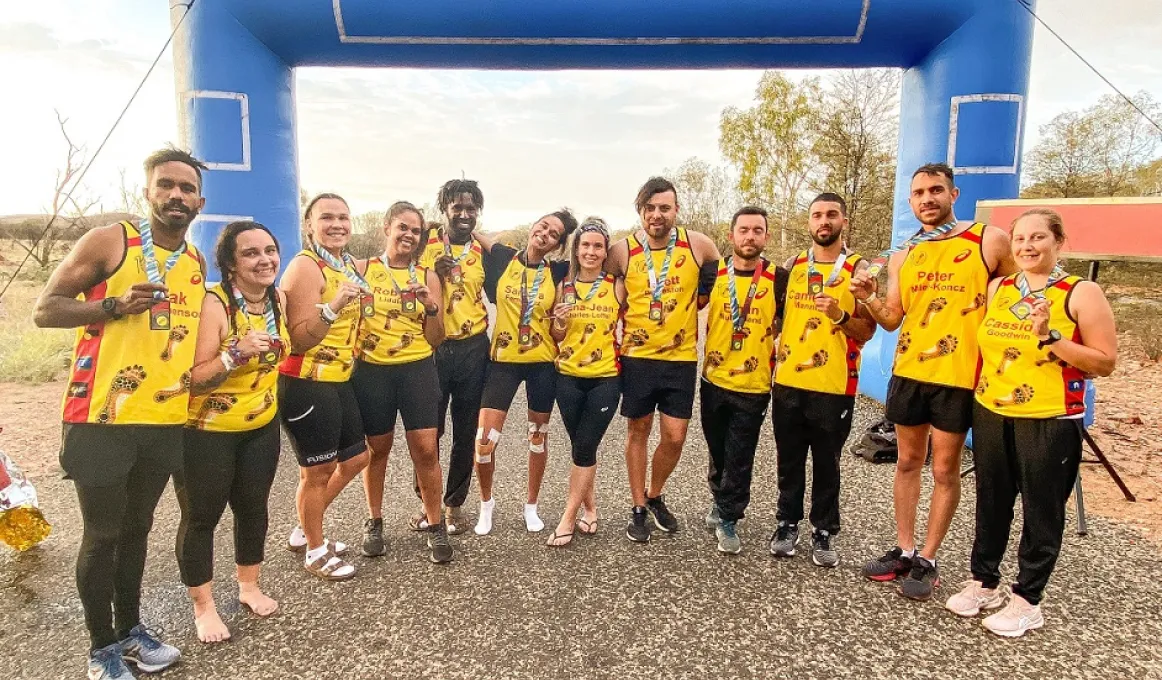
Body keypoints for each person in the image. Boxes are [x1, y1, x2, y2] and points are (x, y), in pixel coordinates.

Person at [34, 147, 207, 679]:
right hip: (101, 419)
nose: (176, 195)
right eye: (166, 185)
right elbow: (46, 309)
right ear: (149, 191)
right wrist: (111, 305)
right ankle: (101, 648)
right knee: (102, 534)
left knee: (138, 529)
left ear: (201, 200)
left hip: (163, 419)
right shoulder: (112, 241)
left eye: (186, 188)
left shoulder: (195, 261)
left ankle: (131, 629)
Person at [946, 208, 1116, 636]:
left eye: (1038, 238)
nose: (1027, 246)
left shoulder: (1081, 292)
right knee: (991, 501)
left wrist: (1052, 338)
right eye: (1020, 239)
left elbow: (1105, 361)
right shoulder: (1000, 287)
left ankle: (1027, 598)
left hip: (1049, 417)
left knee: (1041, 511)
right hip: (992, 410)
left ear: (1058, 241)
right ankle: (984, 581)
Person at [850, 162, 1016, 601]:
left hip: (959, 377)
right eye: (919, 192)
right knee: (906, 462)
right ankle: (904, 549)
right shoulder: (905, 254)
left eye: (936, 190)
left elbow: (1020, 296)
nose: (928, 198)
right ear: (910, 201)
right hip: (910, 373)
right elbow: (889, 320)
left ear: (953, 195)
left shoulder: (988, 240)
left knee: (944, 468)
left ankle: (928, 557)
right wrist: (865, 296)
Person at [174, 221, 289, 643]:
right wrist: (233, 355)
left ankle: (248, 586)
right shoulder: (215, 304)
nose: (265, 260)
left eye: (270, 250)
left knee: (253, 508)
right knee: (202, 516)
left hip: (260, 424)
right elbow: (194, 376)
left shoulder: (277, 298)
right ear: (229, 263)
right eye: (251, 253)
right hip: (208, 429)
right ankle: (203, 607)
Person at [606, 177, 721, 543]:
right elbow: (603, 292)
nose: (657, 215)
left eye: (664, 208)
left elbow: (717, 279)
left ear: (676, 210)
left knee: (675, 437)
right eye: (650, 208)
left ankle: (656, 494)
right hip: (637, 357)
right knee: (637, 431)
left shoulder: (699, 244)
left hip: (680, 359)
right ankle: (638, 505)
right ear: (640, 211)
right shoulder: (622, 250)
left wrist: (701, 298)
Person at [769, 194, 876, 567]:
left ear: (843, 220)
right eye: (817, 215)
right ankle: (786, 522)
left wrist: (840, 315)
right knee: (789, 458)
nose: (824, 221)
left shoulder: (858, 269)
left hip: (833, 384)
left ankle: (824, 529)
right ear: (808, 222)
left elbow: (867, 331)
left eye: (831, 214)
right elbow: (778, 317)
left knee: (827, 462)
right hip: (788, 381)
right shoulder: (793, 265)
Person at [355, 202, 453, 564]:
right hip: (373, 371)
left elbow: (437, 337)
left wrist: (430, 307)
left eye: (415, 231)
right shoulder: (363, 269)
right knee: (377, 449)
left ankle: (435, 522)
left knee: (426, 451)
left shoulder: (427, 276)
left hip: (417, 370)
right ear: (386, 227)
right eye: (403, 227)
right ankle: (375, 520)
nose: (409, 235)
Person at [278, 193, 368, 581]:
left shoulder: (345, 264)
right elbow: (296, 339)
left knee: (356, 459)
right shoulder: (305, 267)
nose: (337, 224)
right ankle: (315, 550)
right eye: (326, 217)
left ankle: (305, 527)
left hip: (340, 379)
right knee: (315, 473)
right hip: (306, 381)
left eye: (344, 217)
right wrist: (332, 307)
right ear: (309, 224)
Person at [471, 210, 577, 535]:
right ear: (533, 227)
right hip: (502, 361)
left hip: (542, 364)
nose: (545, 234)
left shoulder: (558, 270)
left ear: (557, 245)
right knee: (484, 442)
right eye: (543, 226)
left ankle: (531, 505)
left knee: (537, 438)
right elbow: (473, 234)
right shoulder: (504, 256)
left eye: (554, 234)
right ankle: (486, 504)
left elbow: (597, 257)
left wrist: (561, 317)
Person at [699, 206, 787, 555]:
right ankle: (720, 499)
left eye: (757, 230)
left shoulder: (779, 277)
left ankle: (729, 517)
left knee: (740, 453)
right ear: (731, 235)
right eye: (744, 230)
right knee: (717, 449)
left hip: (754, 384)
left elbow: (789, 320)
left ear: (765, 236)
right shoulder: (712, 274)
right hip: (713, 379)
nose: (750, 237)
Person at [414, 180, 490, 535]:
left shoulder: (482, 252)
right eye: (456, 207)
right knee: (430, 431)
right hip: (432, 349)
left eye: (470, 208)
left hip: (474, 348)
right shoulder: (422, 244)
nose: (463, 214)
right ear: (443, 209)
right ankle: (428, 503)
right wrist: (434, 275)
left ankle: (454, 504)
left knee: (465, 431)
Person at [545, 217, 625, 547]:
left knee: (585, 446)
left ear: (606, 251)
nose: (591, 252)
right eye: (585, 245)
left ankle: (567, 518)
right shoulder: (563, 286)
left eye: (597, 246)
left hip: (605, 377)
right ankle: (590, 509)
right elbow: (556, 334)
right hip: (566, 377)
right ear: (576, 250)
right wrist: (559, 323)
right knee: (581, 447)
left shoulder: (616, 285)